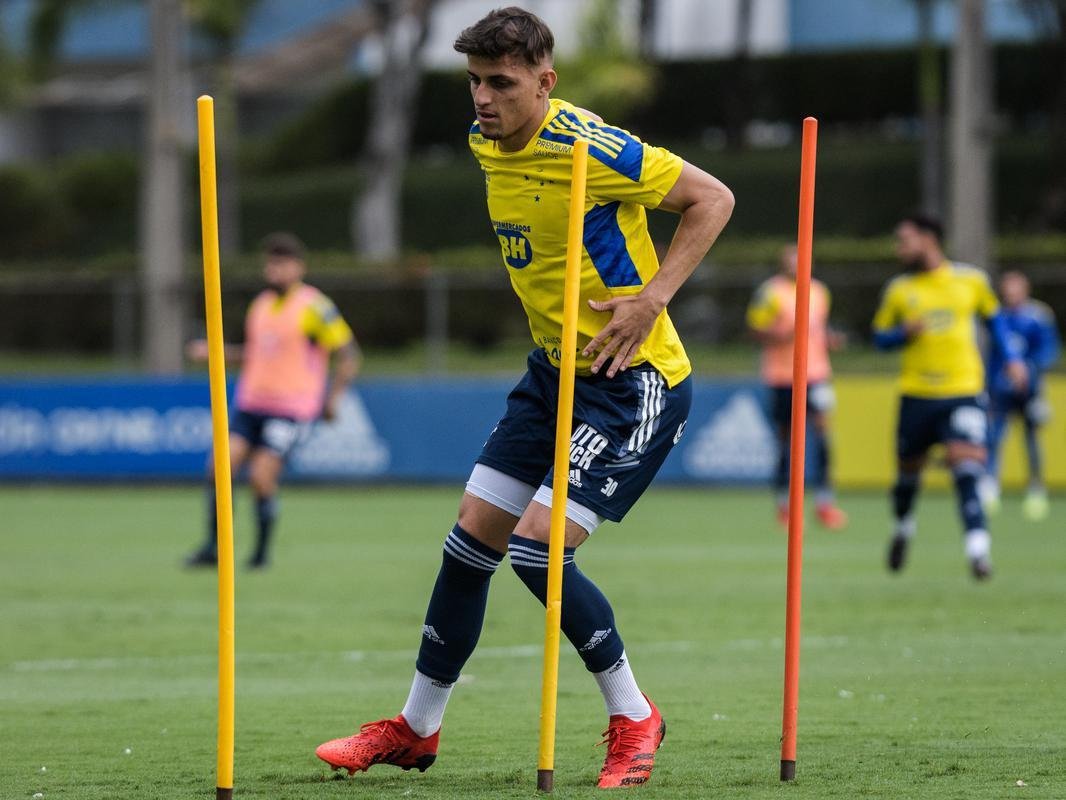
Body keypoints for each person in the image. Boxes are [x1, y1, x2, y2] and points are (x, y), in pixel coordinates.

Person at [314, 7, 733, 790]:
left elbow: (714, 198)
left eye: (501, 83)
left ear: (546, 82)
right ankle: (416, 729)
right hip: (551, 374)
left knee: (538, 552)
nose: (482, 98)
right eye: (474, 81)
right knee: (469, 543)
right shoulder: (483, 142)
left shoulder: (594, 148)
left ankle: (634, 716)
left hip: (629, 380)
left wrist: (651, 299)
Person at [185, 232, 360, 569]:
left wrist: (333, 398)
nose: (275, 270)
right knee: (217, 468)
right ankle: (213, 547)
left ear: (299, 267)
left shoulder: (315, 307)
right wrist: (215, 353)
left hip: (290, 410)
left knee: (262, 477)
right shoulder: (261, 305)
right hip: (251, 404)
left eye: (282, 263)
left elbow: (349, 354)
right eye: (271, 263)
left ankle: (260, 555)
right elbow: (257, 354)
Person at [872, 214, 1026, 580]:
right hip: (917, 394)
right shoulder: (899, 290)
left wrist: (1013, 359)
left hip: (963, 390)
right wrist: (901, 334)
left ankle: (978, 552)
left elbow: (996, 322)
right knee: (908, 476)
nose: (899, 248)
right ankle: (902, 529)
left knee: (967, 468)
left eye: (904, 240)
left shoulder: (970, 281)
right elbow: (879, 339)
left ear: (928, 239)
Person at [746, 244, 848, 530]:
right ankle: (784, 505)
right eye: (791, 259)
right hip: (781, 376)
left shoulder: (819, 291)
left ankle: (825, 504)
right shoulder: (770, 292)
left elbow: (816, 331)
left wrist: (830, 340)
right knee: (785, 441)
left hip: (816, 375)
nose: (797, 264)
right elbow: (754, 330)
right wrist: (780, 334)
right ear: (782, 263)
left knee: (823, 436)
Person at [981, 270, 1060, 520]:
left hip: (1030, 390)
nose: (1011, 294)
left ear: (1025, 290)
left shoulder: (1038, 316)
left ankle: (1036, 488)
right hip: (1000, 390)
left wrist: (1030, 371)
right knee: (994, 436)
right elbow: (993, 355)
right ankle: (990, 487)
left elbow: (1049, 350)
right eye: (1008, 288)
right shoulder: (998, 316)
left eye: (1016, 288)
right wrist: (994, 381)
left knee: (1031, 440)